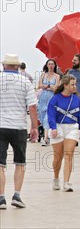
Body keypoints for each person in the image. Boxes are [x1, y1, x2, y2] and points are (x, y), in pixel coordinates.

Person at [0, 54, 38, 209]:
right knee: (20, 162)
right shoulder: (25, 81)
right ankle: (16, 195)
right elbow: (32, 106)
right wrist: (34, 127)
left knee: (0, 164)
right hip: (19, 127)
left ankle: (1, 198)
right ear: (17, 66)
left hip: (0, 125)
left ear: (4, 65)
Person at [47, 74, 80, 192]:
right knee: (58, 157)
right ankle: (56, 177)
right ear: (65, 85)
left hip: (72, 128)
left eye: (75, 84)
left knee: (69, 154)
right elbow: (51, 115)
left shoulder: (77, 100)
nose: (74, 87)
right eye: (72, 84)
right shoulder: (55, 99)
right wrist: (53, 128)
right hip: (58, 127)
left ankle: (67, 183)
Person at [37, 59, 60, 146]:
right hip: (42, 97)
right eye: (49, 64)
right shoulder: (43, 74)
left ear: (54, 65)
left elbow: (56, 88)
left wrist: (46, 86)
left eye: (52, 64)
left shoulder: (57, 76)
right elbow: (39, 85)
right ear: (46, 65)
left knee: (48, 116)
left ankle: (46, 138)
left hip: (52, 97)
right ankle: (45, 133)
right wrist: (49, 86)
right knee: (42, 116)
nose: (51, 66)